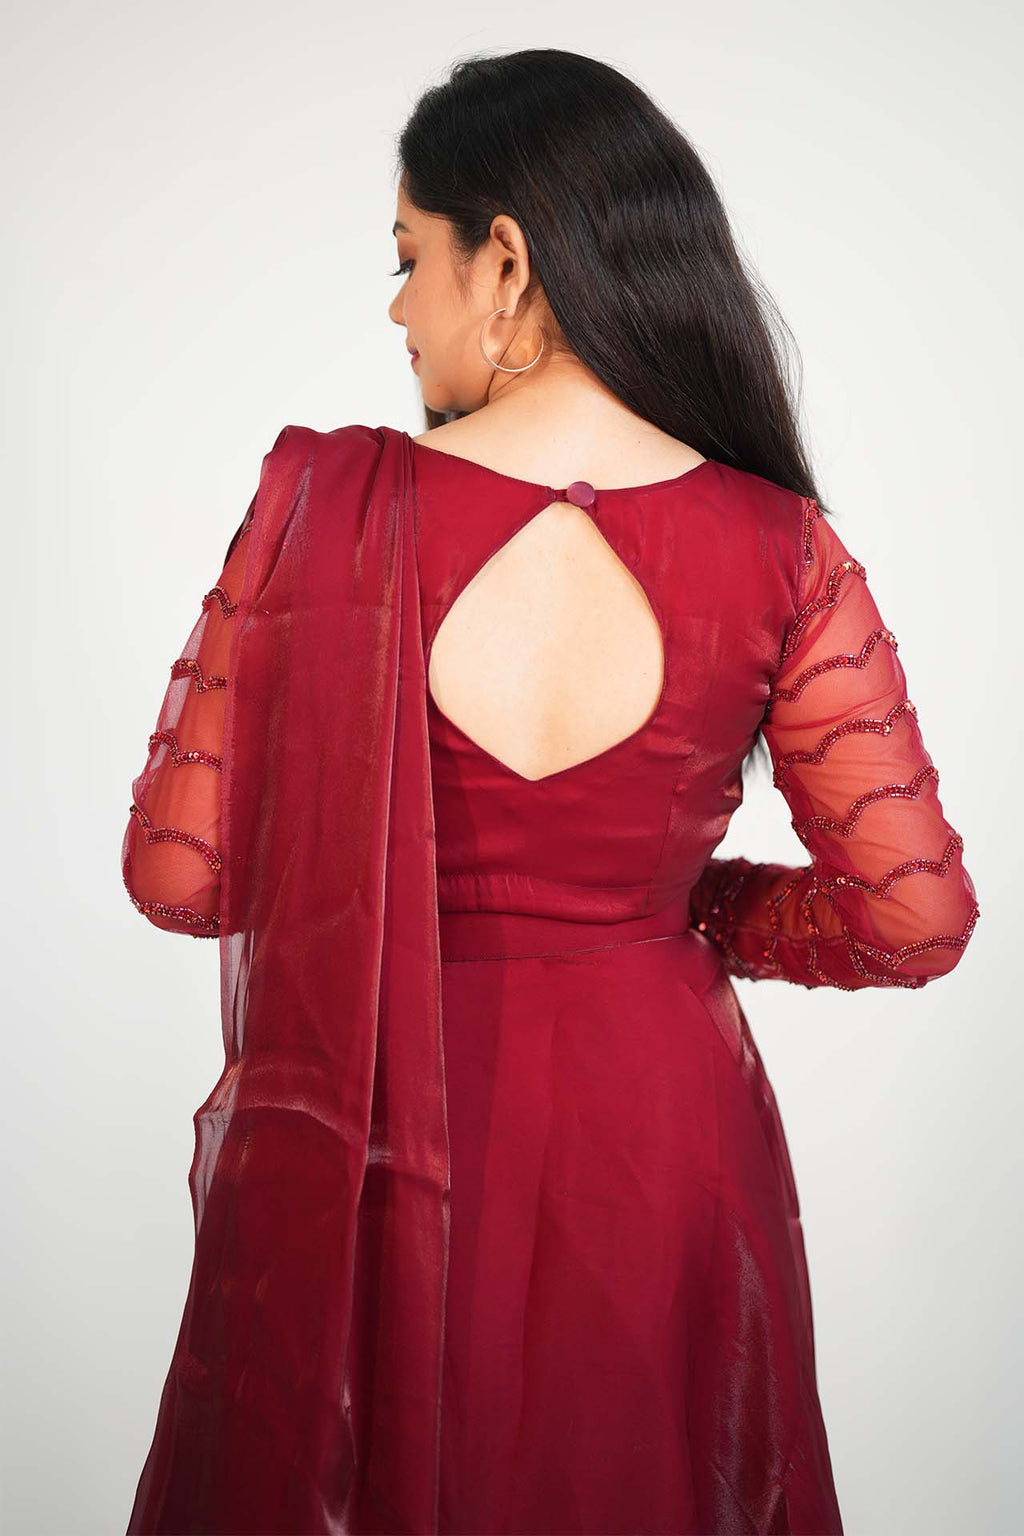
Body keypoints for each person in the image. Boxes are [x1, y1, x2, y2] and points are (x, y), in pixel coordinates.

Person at [120, 48, 980, 1536]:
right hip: (657, 1134)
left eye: (409, 259)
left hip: (376, 1126)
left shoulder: (323, 507)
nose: (398, 310)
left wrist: (381, 875)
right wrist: (673, 912)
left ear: (503, 263)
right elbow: (911, 919)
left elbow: (180, 873)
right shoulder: (784, 546)